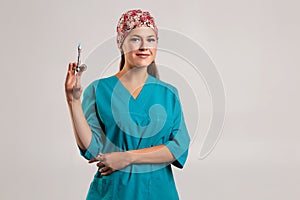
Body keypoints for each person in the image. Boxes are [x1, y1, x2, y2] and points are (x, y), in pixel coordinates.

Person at [65, 9, 190, 200]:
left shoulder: (168, 94)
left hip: (158, 193)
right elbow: (91, 150)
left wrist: (128, 157)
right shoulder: (99, 90)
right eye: (135, 39)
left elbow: (178, 147)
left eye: (150, 39)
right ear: (121, 43)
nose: (144, 46)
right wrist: (73, 101)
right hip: (114, 192)